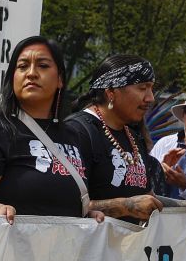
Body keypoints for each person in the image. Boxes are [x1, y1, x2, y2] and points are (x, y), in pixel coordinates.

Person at [0, 37, 93, 221]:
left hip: (65, 247)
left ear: (60, 79)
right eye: (22, 66)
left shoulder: (72, 135)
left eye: (43, 66)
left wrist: (87, 213)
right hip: (10, 246)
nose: (31, 73)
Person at [64, 53, 174, 220]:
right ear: (111, 93)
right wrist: (126, 206)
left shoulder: (133, 137)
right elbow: (63, 204)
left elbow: (148, 197)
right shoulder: (77, 132)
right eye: (142, 88)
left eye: (151, 88)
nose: (150, 98)